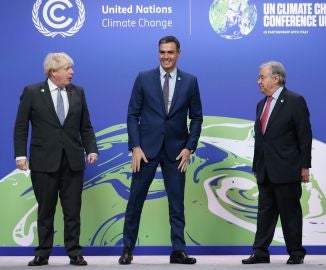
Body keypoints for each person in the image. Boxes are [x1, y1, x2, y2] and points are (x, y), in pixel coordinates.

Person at [118, 36, 203, 265]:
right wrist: (135, 147)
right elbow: (132, 114)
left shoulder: (190, 81)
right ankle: (127, 249)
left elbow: (196, 117)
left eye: (170, 52)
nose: (166, 56)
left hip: (176, 153)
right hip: (145, 151)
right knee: (135, 201)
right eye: (162, 52)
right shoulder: (143, 78)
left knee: (177, 204)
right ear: (158, 53)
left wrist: (189, 148)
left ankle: (178, 251)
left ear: (179, 53)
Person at [14, 52, 98, 266]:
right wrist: (20, 155)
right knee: (45, 210)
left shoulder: (78, 92)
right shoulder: (32, 92)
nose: (72, 72)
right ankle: (42, 253)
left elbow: (85, 126)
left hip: (73, 161)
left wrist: (91, 149)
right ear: (53, 72)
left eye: (71, 68)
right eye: (67, 68)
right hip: (43, 162)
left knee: (72, 211)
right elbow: (21, 126)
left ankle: (74, 253)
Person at [242, 61, 312, 265]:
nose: (259, 81)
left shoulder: (295, 101)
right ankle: (260, 252)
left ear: (276, 78)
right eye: (259, 78)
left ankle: (296, 253)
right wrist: (257, 166)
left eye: (262, 77)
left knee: (290, 213)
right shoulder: (261, 105)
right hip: (265, 170)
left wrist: (304, 166)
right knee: (265, 213)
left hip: (287, 169)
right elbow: (261, 140)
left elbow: (304, 136)